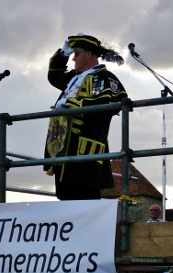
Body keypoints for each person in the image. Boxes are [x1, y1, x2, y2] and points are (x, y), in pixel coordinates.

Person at [44, 33, 128, 200]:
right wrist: (63, 55)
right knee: (64, 198)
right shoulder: (73, 78)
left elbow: (110, 105)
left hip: (85, 152)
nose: (73, 59)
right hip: (61, 148)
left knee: (84, 200)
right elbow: (54, 77)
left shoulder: (105, 78)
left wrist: (75, 107)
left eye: (76, 53)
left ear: (89, 54)